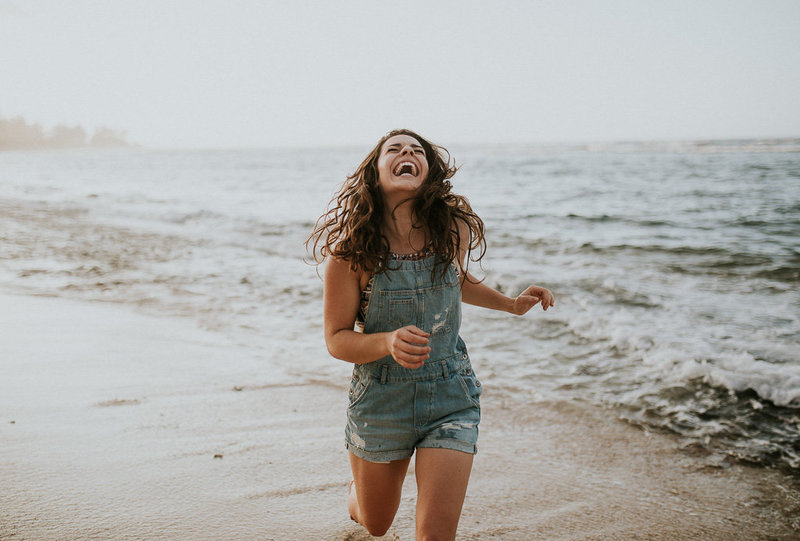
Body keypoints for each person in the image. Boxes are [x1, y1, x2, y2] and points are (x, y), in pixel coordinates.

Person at [307, 129, 554, 539]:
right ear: (374, 172)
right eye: (395, 149)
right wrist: (386, 341)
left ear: (428, 171)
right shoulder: (350, 253)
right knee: (376, 523)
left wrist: (511, 304)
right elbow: (336, 338)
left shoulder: (452, 229)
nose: (408, 153)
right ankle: (359, 494)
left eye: (416, 150)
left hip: (451, 392)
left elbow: (456, 282)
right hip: (382, 398)